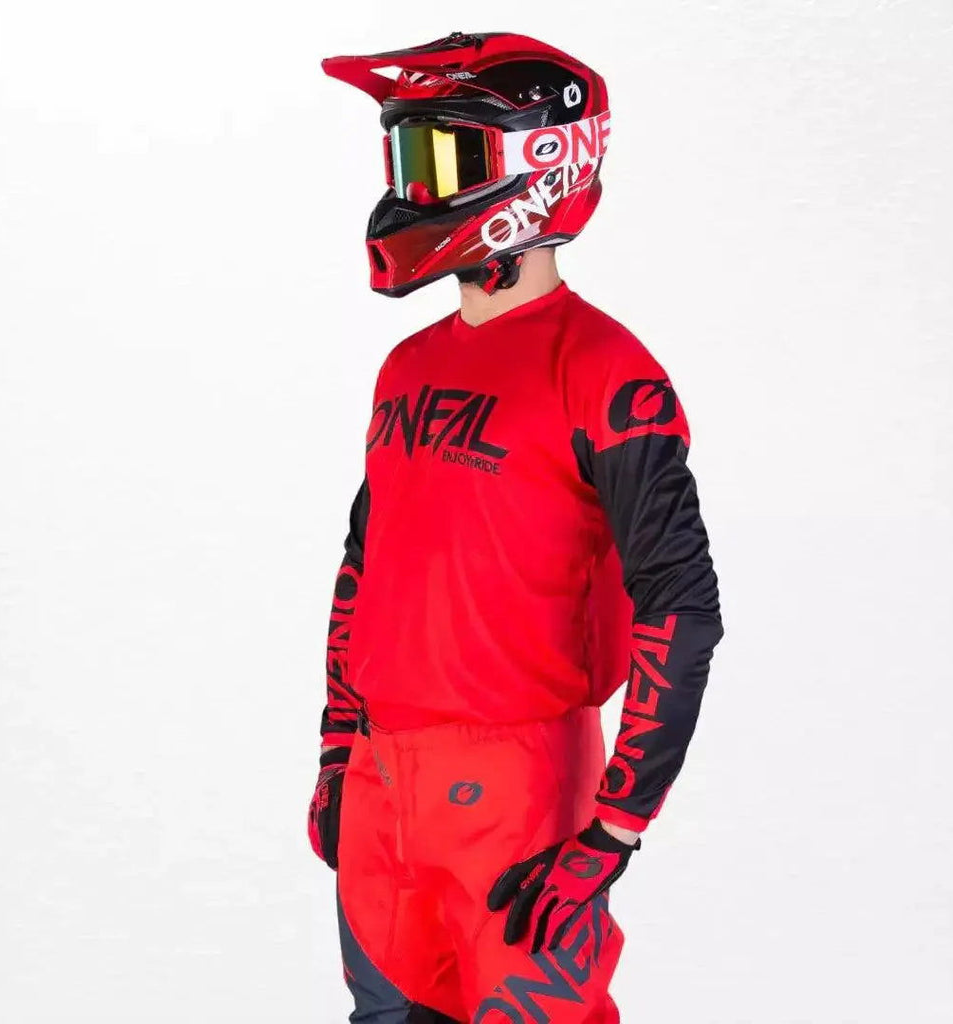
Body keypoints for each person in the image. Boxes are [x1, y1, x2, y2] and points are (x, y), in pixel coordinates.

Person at [308, 32, 722, 1023]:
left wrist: (615, 826)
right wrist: (336, 749)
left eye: (443, 157)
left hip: (521, 794)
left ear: (540, 165)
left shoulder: (608, 373)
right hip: (380, 778)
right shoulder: (405, 368)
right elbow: (365, 564)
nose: (416, 188)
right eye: (407, 157)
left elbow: (680, 603)